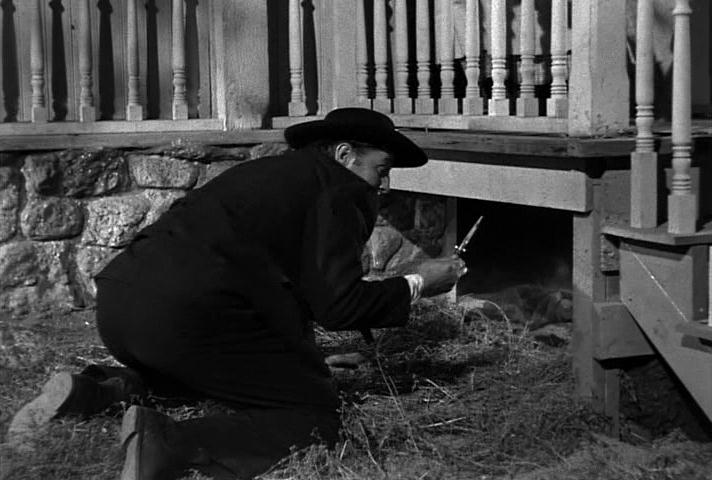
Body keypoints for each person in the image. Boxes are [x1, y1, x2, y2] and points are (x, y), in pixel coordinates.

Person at [8, 108, 466, 479]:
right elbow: (339, 305)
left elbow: (280, 287)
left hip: (122, 306)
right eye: (381, 170)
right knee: (312, 413)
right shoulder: (339, 191)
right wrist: (420, 282)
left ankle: (99, 394)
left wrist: (297, 360)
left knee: (205, 375)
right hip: (184, 317)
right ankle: (169, 444)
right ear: (345, 154)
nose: (384, 187)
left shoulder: (276, 174)